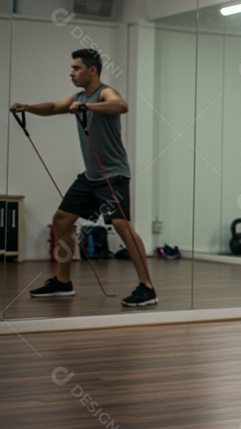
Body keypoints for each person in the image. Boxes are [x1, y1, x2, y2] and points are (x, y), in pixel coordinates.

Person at [11, 48, 157, 307]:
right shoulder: (79, 96)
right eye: (71, 68)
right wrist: (28, 108)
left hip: (113, 176)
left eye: (76, 68)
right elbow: (55, 107)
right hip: (90, 178)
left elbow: (121, 105)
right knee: (62, 219)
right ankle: (63, 282)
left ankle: (147, 288)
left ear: (92, 70)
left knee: (122, 225)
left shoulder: (104, 93)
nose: (71, 72)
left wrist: (87, 106)